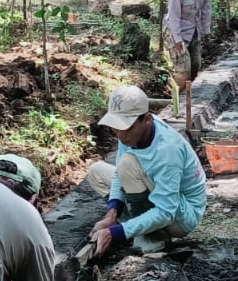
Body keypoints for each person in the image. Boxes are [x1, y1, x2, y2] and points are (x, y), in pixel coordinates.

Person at [86, 84, 207, 257]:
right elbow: (120, 174)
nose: (120, 135)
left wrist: (114, 233)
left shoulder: (168, 149)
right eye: (116, 128)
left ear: (147, 119)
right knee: (97, 171)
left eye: (126, 128)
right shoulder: (128, 134)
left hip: (181, 214)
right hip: (154, 189)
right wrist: (111, 215)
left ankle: (152, 238)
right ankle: (138, 223)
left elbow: (166, 211)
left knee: (128, 163)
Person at [165, 0, 213, 126]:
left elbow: (207, 7)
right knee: (182, 69)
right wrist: (177, 41)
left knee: (195, 66)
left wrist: (206, 31)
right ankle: (178, 105)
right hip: (178, 31)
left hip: (195, 30)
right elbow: (173, 16)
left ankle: (189, 100)